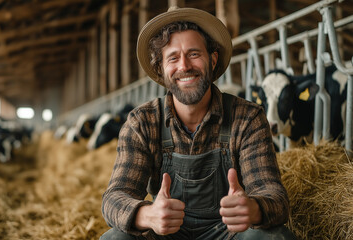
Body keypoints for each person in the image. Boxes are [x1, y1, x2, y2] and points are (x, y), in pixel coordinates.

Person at [100, 6, 295, 240]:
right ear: (161, 69)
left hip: (230, 234)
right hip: (165, 234)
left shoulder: (247, 117)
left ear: (212, 59)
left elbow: (275, 197)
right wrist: (147, 215)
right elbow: (114, 197)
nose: (184, 66)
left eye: (194, 54)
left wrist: (253, 209)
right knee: (114, 238)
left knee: (274, 237)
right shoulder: (142, 122)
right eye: (173, 58)